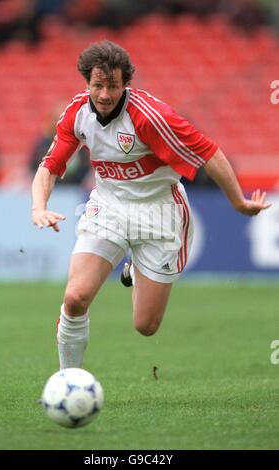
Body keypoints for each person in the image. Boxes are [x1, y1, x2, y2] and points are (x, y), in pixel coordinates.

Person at [31, 40, 271, 370]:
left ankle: (134, 270)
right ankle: (66, 379)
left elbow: (209, 152)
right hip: (109, 207)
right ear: (86, 83)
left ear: (125, 84)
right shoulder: (76, 113)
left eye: (112, 86)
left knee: (146, 326)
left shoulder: (150, 118)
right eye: (97, 85)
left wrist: (238, 201)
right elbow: (49, 166)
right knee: (75, 297)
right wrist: (38, 207)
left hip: (159, 212)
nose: (104, 95)